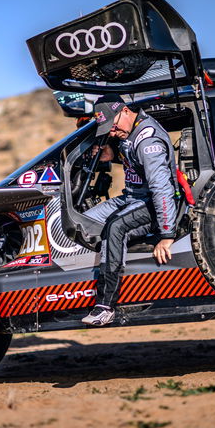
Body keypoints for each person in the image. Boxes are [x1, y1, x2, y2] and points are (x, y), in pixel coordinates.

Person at [81, 94, 178, 326]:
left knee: (116, 228)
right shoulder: (127, 131)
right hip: (130, 197)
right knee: (84, 222)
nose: (112, 133)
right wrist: (110, 154)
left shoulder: (148, 140)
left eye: (113, 127)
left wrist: (167, 234)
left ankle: (106, 305)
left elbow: (161, 189)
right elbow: (128, 154)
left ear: (125, 111)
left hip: (151, 204)